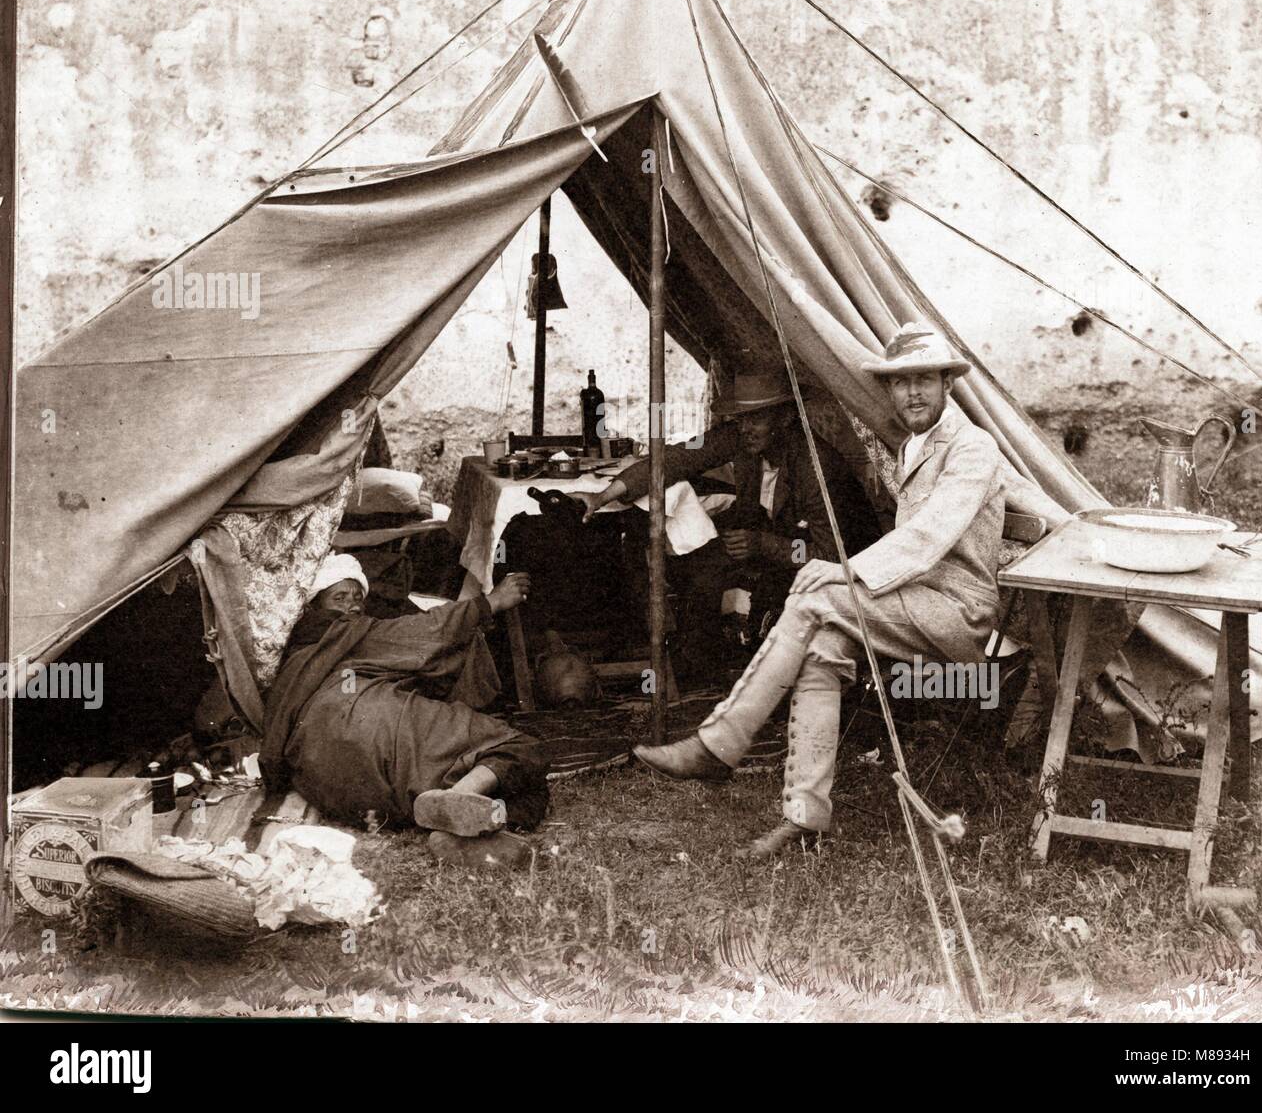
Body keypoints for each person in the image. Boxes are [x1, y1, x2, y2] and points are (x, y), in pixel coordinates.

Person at [632, 324, 1006, 858]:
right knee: (822, 651)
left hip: (955, 612)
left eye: (924, 379)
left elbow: (928, 539)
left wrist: (842, 571)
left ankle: (719, 744)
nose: (913, 394)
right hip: (907, 602)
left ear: (948, 383)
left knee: (816, 598)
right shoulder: (912, 446)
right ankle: (805, 819)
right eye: (900, 385)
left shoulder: (972, 448)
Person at [580, 371, 882, 683]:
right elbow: (679, 457)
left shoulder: (816, 469)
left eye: (757, 418)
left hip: (834, 562)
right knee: (698, 564)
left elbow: (830, 557)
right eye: (741, 419)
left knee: (745, 588)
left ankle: (745, 673)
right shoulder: (743, 438)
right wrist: (604, 495)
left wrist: (763, 544)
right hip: (773, 539)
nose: (746, 428)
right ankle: (696, 668)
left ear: (786, 417)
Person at [260, 553, 550, 855]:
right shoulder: (351, 631)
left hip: (330, 784)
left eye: (357, 597)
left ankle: (457, 829)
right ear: (314, 606)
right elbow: (428, 632)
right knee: (521, 747)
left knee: (523, 791)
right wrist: (491, 602)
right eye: (339, 597)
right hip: (375, 727)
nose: (351, 606)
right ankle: (458, 798)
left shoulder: (296, 656)